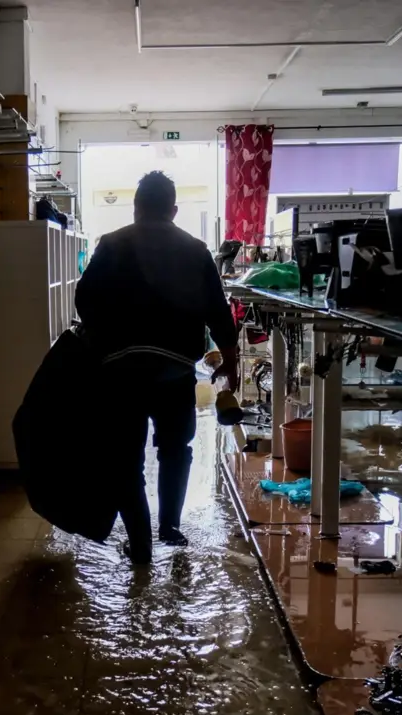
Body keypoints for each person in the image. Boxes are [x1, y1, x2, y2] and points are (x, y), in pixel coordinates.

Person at [75, 171, 239, 566]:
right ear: (174, 210)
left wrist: (100, 341)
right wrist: (231, 361)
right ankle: (170, 526)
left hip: (121, 369)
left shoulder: (111, 244)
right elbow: (219, 312)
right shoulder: (196, 249)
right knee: (175, 448)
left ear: (136, 208)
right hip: (174, 369)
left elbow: (84, 299)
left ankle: (141, 542)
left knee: (125, 458)